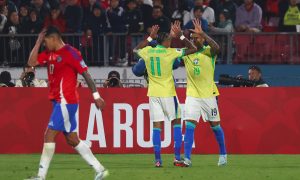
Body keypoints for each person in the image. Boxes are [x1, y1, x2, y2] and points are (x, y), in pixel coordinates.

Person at [26, 26, 108, 180]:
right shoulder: (50, 54)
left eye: (45, 42)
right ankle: (100, 170)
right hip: (58, 102)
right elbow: (31, 62)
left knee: (49, 135)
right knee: (72, 139)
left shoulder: (71, 53)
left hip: (66, 101)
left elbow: (86, 75)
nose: (45, 45)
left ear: (54, 39)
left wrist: (96, 96)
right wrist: (37, 41)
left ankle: (40, 176)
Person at [133, 21, 197, 167]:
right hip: (168, 93)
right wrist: (181, 36)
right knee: (176, 122)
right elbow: (193, 48)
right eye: (170, 39)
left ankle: (157, 160)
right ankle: (176, 157)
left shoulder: (148, 51)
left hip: (153, 94)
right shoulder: (170, 52)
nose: (171, 41)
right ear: (166, 41)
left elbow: (135, 50)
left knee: (156, 126)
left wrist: (150, 37)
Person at [180, 19, 227, 167]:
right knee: (189, 125)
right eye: (193, 38)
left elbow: (217, 48)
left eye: (197, 38)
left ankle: (223, 155)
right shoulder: (187, 54)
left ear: (202, 39)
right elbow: (187, 45)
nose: (195, 40)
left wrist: (203, 33)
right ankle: (187, 158)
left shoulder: (209, 52)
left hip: (209, 95)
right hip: (193, 96)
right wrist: (181, 36)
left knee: (215, 126)